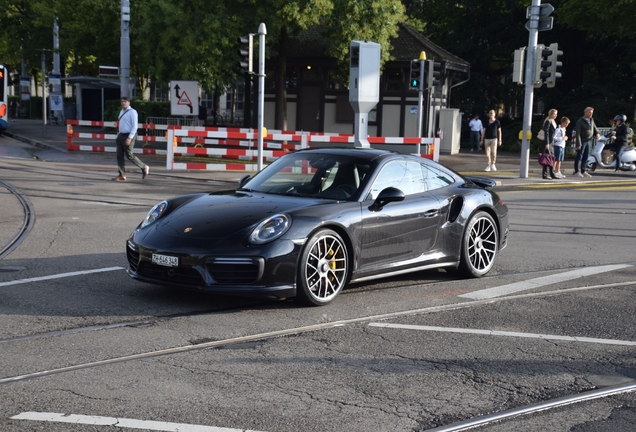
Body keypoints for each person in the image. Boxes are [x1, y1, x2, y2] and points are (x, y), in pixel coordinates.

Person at [112, 97, 149, 182]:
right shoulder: (122, 111)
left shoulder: (132, 112)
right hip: (121, 135)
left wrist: (130, 137)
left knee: (129, 154)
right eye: (121, 102)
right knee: (119, 155)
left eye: (125, 101)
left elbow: (134, 126)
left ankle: (144, 167)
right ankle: (122, 174)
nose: (123, 103)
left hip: (129, 135)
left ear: (128, 102)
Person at [573, 106, 600, 177]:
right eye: (589, 113)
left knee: (586, 156)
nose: (591, 114)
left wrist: (597, 133)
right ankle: (576, 171)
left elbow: (594, 127)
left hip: (589, 140)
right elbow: (578, 133)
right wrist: (578, 143)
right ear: (585, 112)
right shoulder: (580, 121)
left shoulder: (591, 120)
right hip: (582, 140)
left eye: (592, 113)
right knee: (579, 156)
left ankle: (583, 170)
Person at [540, 109, 558, 180]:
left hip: (552, 141)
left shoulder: (553, 121)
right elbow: (546, 132)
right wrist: (547, 143)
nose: (556, 115)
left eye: (556, 114)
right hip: (548, 142)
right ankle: (545, 174)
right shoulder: (548, 121)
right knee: (546, 158)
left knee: (551, 158)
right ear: (551, 114)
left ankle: (552, 173)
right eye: (555, 114)